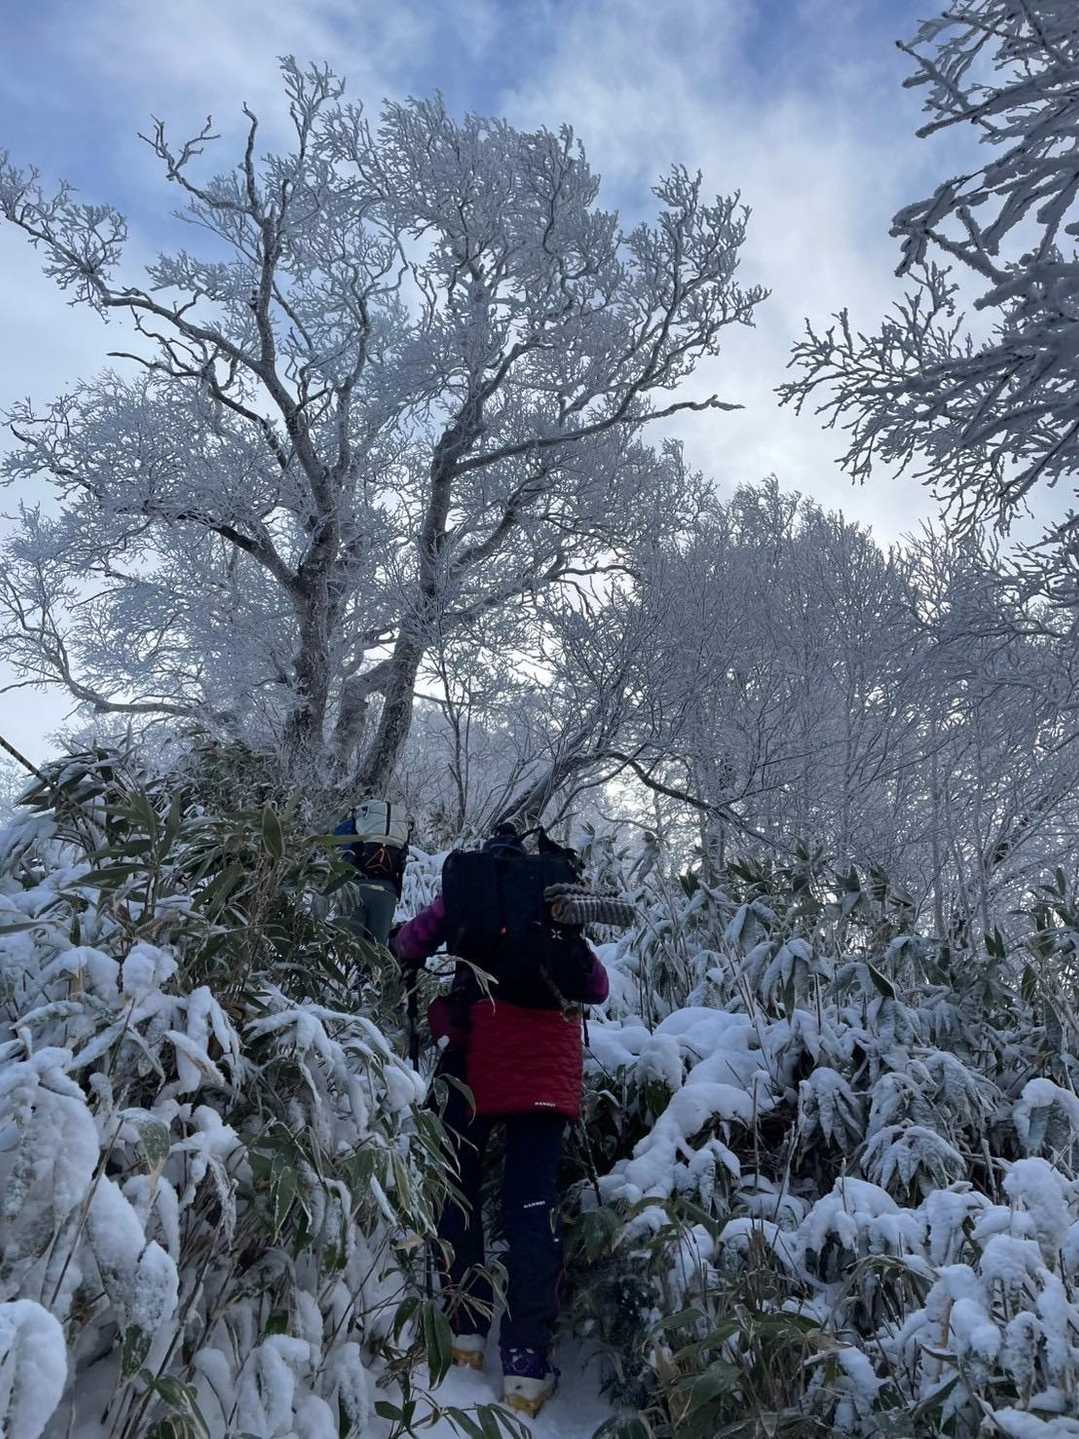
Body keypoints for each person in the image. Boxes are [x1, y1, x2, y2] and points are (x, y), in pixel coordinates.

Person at [392, 823, 609, 1417]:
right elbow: (596, 986)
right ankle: (525, 1368)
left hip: (474, 1060)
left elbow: (411, 944)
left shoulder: (469, 890)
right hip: (543, 1075)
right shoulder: (553, 903)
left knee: (457, 1191)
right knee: (531, 1209)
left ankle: (465, 1332)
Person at [334, 798, 410, 947]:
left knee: (348, 946)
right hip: (387, 892)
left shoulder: (356, 824)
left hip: (355, 888)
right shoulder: (399, 831)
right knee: (376, 949)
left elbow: (337, 838)